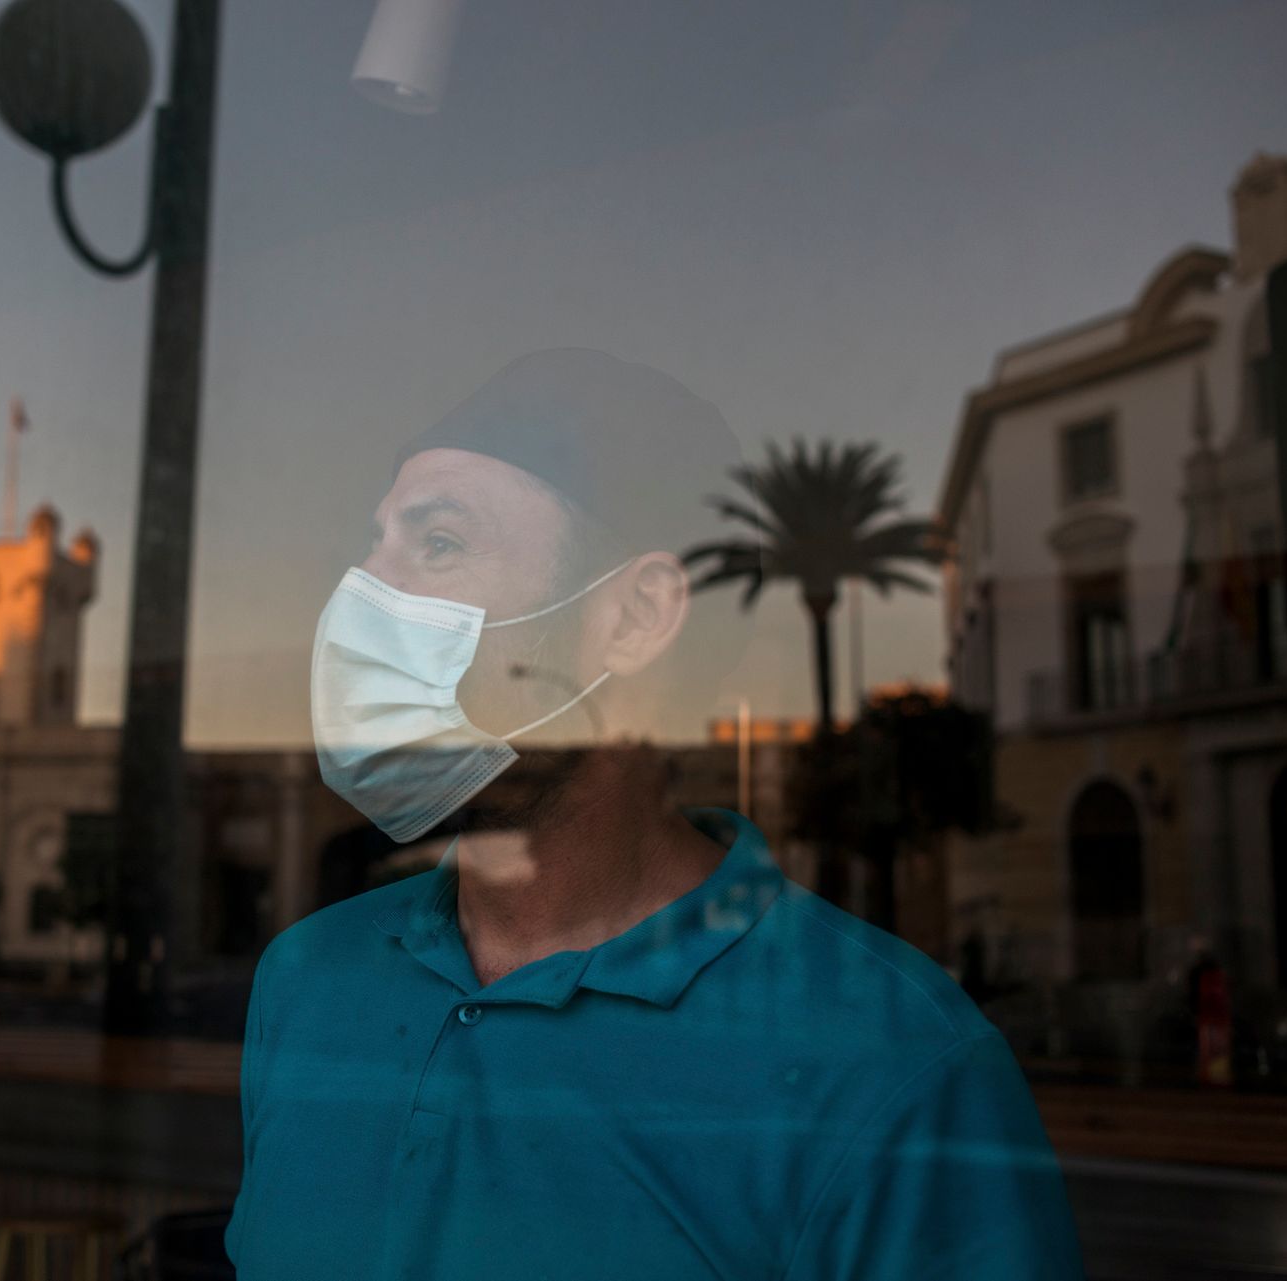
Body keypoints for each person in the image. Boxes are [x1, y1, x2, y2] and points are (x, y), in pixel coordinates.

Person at [225, 350, 1084, 1279]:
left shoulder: (892, 1064)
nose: (360, 595)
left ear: (636, 618)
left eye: (437, 544)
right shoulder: (305, 981)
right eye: (374, 545)